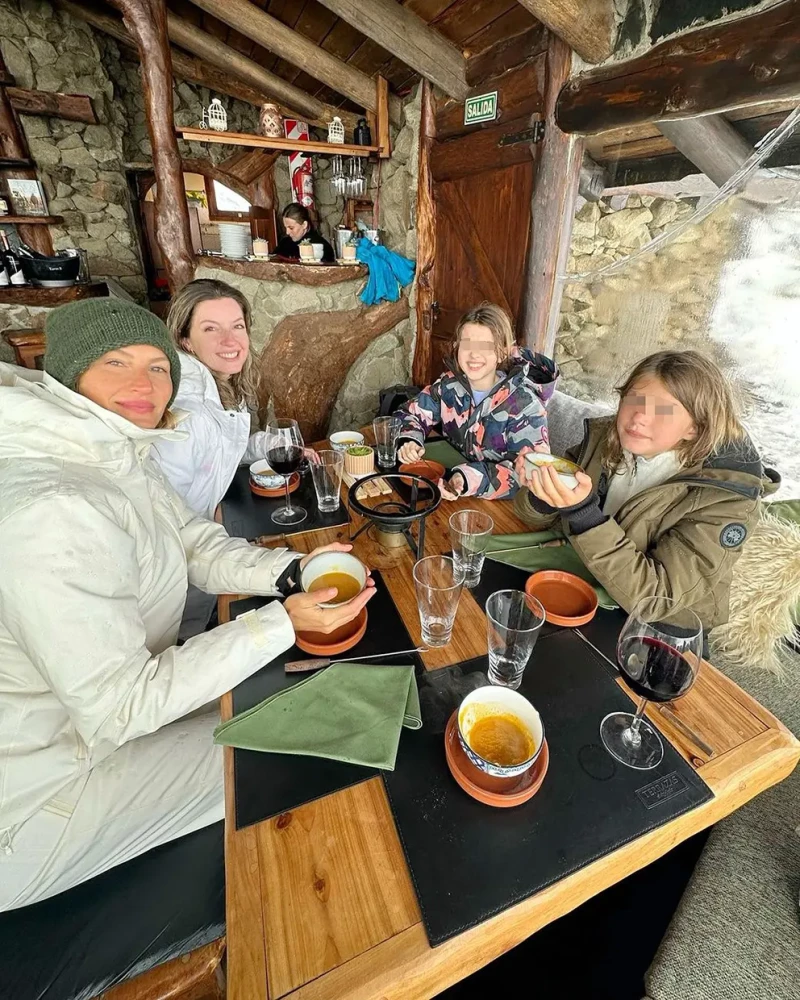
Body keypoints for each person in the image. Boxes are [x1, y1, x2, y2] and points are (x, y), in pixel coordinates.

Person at [0, 298, 374, 911]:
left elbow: (194, 540)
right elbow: (122, 706)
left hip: (92, 723)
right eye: (115, 362)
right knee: (299, 739)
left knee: (285, 696)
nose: (142, 385)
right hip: (39, 795)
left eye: (156, 366)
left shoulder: (109, 448)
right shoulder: (51, 506)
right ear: (68, 373)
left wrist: (289, 571)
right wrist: (282, 621)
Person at [514, 350, 779, 628]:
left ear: (695, 428)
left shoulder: (726, 499)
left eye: (663, 409)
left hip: (660, 629)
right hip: (582, 579)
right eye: (633, 399)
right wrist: (544, 495)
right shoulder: (607, 438)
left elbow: (656, 600)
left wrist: (583, 514)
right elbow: (535, 517)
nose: (638, 417)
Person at [396, 302, 558, 499]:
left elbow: (528, 475)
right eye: (466, 344)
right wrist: (410, 439)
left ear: (502, 352)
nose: (474, 354)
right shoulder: (449, 385)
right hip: (452, 491)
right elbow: (411, 412)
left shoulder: (526, 406)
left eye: (485, 347)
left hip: (502, 510)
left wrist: (466, 479)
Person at [151, 278, 268, 520]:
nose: (230, 340)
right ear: (185, 341)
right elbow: (166, 517)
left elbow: (221, 447)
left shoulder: (219, 384)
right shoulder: (188, 412)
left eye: (237, 326)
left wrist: (271, 446)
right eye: (211, 328)